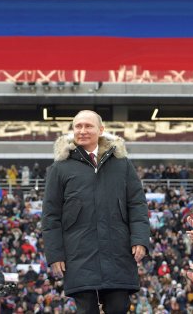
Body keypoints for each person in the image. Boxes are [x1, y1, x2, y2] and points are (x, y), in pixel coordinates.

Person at [42, 110, 150, 313]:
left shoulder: (122, 164)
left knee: (119, 307)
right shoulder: (60, 168)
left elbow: (137, 204)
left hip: (118, 251)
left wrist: (140, 240)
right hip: (79, 254)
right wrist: (55, 255)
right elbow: (51, 215)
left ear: (101, 130)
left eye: (88, 126)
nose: (82, 131)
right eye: (78, 126)